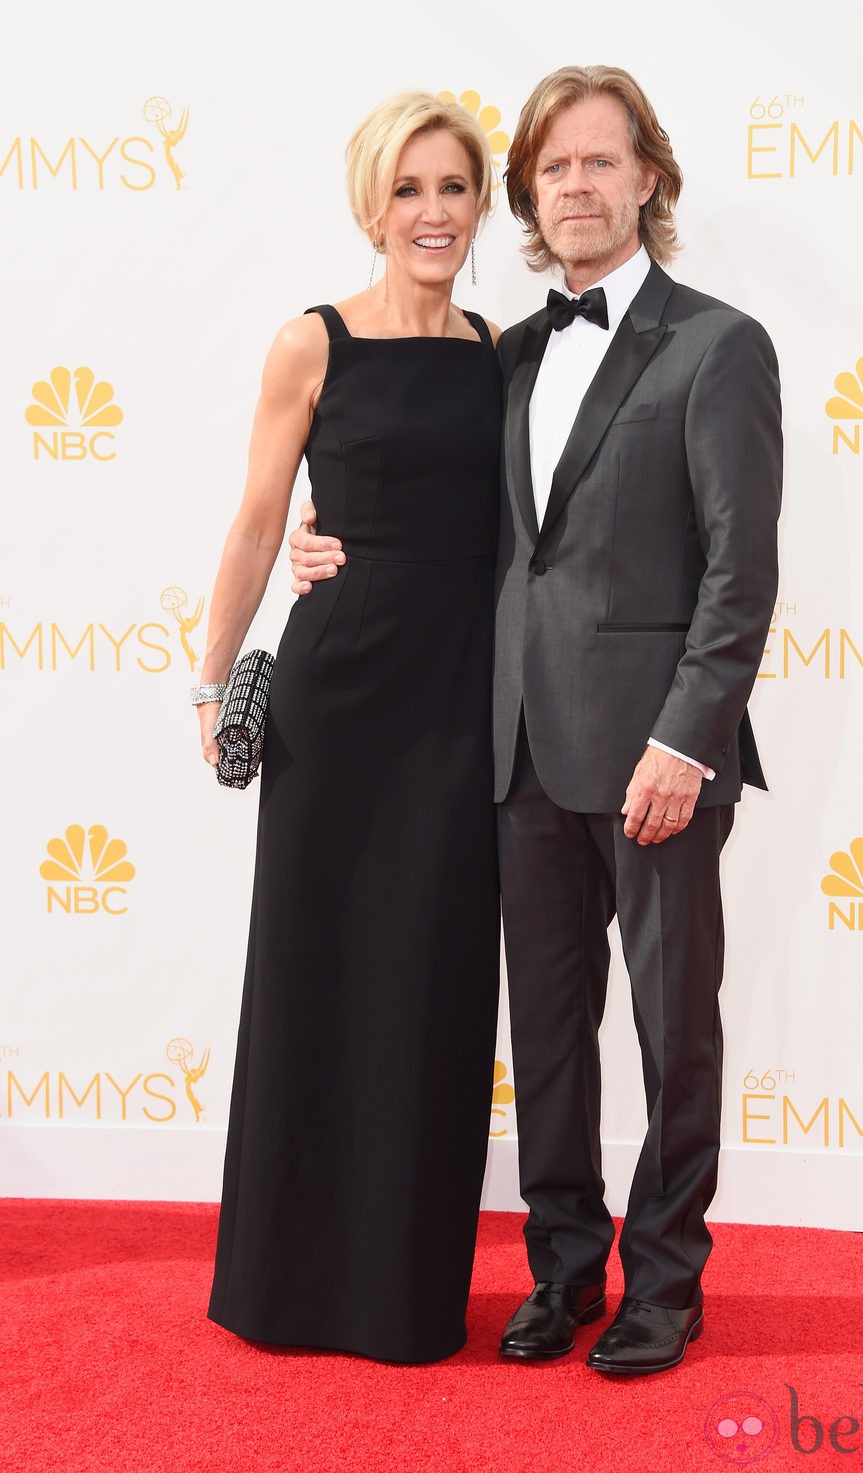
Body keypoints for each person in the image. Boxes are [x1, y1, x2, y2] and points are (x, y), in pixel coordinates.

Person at [290, 65, 782, 1376]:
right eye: (552, 167)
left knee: (674, 1028)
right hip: (514, 751)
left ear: (649, 180)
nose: (575, 185)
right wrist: (317, 540)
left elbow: (741, 567)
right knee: (548, 1033)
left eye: (599, 162)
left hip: (659, 753)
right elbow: (429, 502)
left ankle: (666, 1283)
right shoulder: (501, 353)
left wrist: (689, 736)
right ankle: (564, 1266)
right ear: (532, 195)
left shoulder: (719, 344)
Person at [193, 92, 503, 1364]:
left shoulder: (503, 347)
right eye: (408, 189)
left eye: (453, 188)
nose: (431, 213)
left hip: (459, 702)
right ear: (371, 205)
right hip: (339, 695)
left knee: (429, 984)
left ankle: (402, 1291)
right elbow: (262, 524)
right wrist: (213, 686)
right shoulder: (309, 343)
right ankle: (288, 1283)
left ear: (482, 205)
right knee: (315, 971)